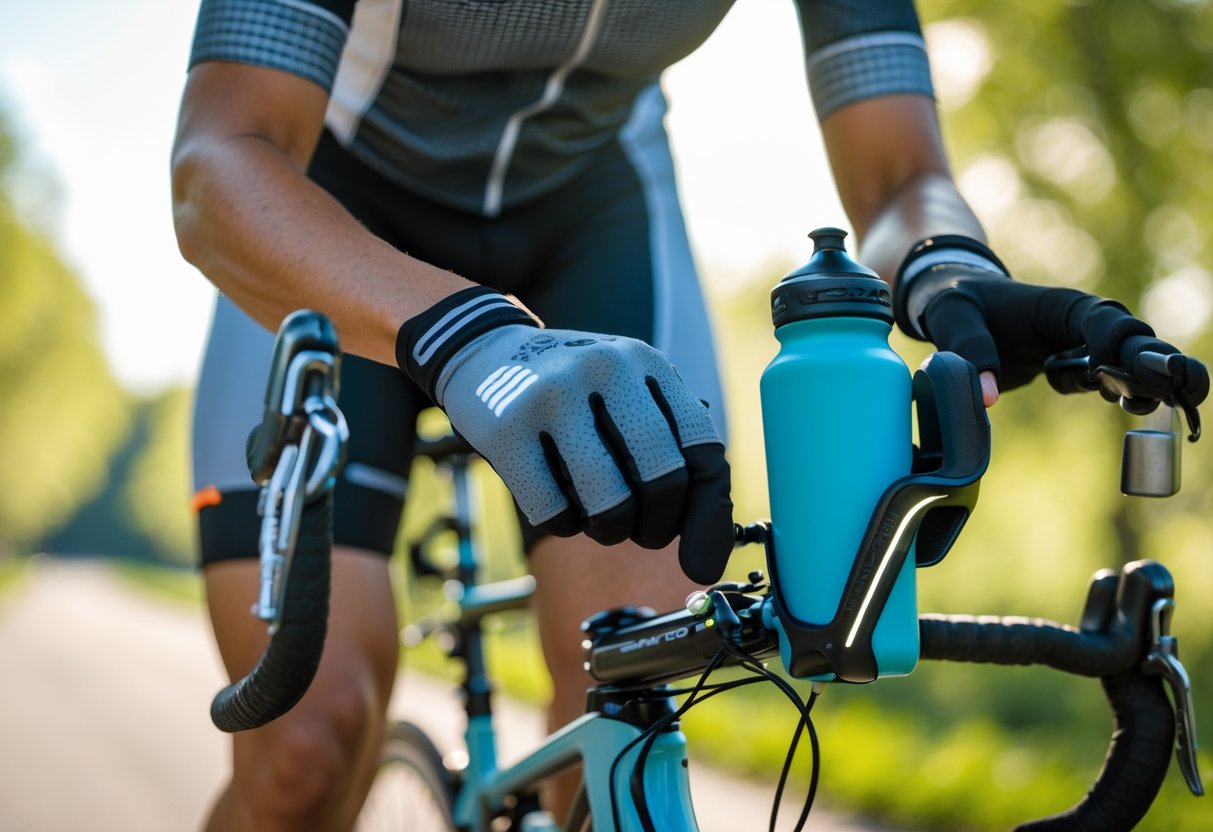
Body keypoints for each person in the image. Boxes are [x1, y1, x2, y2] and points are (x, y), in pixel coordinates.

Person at [172, 1, 1207, 830]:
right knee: (307, 751)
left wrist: (948, 267)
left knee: (621, 708)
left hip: (593, 219)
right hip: (330, 220)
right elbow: (220, 157)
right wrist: (473, 341)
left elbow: (899, 172)